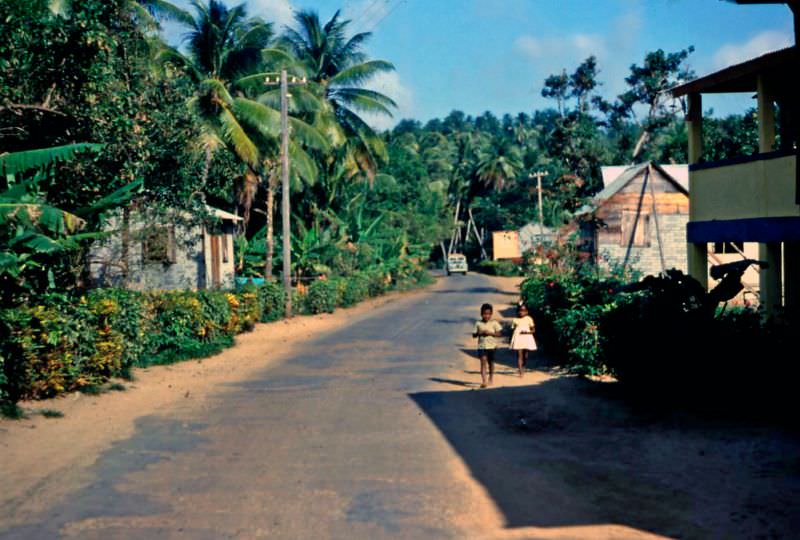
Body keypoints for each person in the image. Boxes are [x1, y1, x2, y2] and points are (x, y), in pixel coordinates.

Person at [473, 303, 503, 388]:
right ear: (481, 314)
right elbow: (474, 335)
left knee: (491, 363)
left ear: (491, 314)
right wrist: (480, 333)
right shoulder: (478, 323)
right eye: (485, 314)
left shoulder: (494, 323)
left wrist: (491, 333)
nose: (486, 316)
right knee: (483, 363)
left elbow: (499, 334)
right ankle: (484, 381)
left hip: (492, 347)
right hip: (482, 347)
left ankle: (491, 378)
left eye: (488, 314)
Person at [510, 304, 537, 378]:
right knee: (519, 355)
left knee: (525, 355)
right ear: (517, 311)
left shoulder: (529, 319)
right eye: (520, 310)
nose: (521, 312)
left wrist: (527, 332)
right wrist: (512, 339)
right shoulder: (515, 320)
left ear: (527, 312)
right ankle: (520, 371)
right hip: (518, 338)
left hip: (527, 338)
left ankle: (523, 366)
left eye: (523, 311)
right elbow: (512, 330)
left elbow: (533, 330)